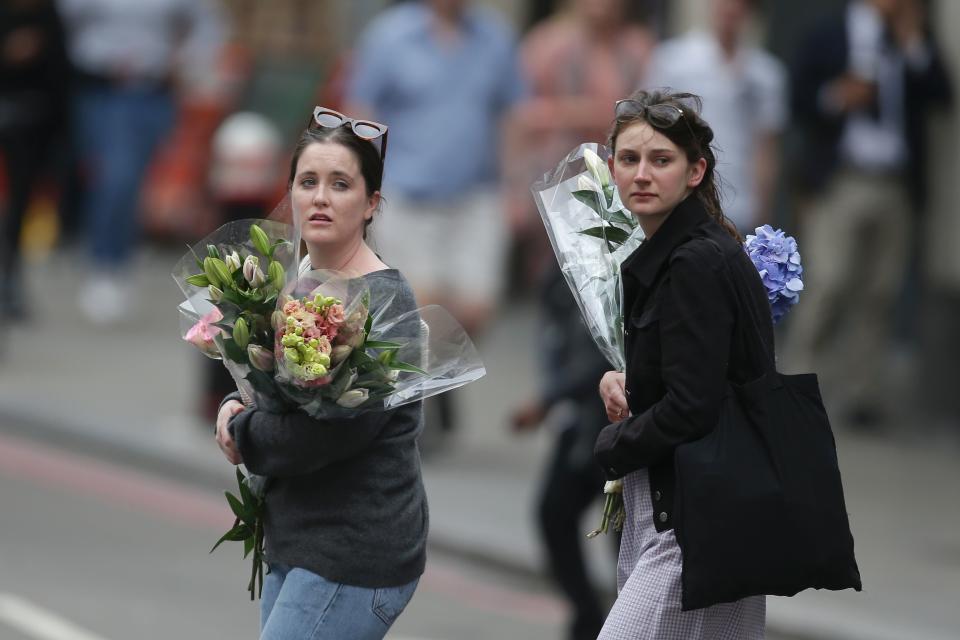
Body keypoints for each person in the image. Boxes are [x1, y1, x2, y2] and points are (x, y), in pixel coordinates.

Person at [214, 107, 425, 639]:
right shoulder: (291, 278)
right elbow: (268, 387)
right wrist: (231, 404)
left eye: (341, 184)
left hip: (352, 553)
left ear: (371, 203)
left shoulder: (385, 300)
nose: (321, 197)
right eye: (308, 182)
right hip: (297, 538)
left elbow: (327, 433)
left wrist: (243, 433)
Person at [592, 90, 772, 638]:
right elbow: (696, 375)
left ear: (696, 172)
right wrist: (629, 382)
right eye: (629, 160)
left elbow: (694, 407)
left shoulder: (695, 260)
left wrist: (609, 448)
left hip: (694, 518)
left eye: (661, 160)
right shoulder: (689, 249)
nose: (642, 174)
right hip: (702, 510)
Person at [343, 0, 525, 436]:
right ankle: (413, 410)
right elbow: (362, 112)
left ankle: (433, 384)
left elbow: (513, 115)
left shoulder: (495, 38)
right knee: (421, 304)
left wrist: (516, 185)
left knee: (476, 306)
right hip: (408, 193)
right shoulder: (390, 35)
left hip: (476, 194)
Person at [783, 0, 952, 429]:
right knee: (830, 281)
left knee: (880, 291)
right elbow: (799, 96)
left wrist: (914, 40)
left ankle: (862, 395)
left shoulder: (912, 36)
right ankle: (796, 387)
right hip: (841, 179)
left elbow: (940, 94)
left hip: (894, 182)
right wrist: (838, 96)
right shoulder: (829, 30)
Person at [58, 0, 225, 324]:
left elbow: (207, 24)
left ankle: (121, 249)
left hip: (154, 92)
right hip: (101, 90)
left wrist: (190, 62)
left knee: (135, 179)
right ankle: (105, 260)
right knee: (115, 175)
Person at [510, 262, 615, 640]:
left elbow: (603, 355)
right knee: (554, 512)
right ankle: (589, 618)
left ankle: (623, 622)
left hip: (615, 423)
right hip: (579, 424)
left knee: (624, 535)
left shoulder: (609, 264)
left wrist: (546, 398)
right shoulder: (562, 268)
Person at [644, 0, 787, 234]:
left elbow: (766, 148)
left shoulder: (766, 73)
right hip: (682, 199)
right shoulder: (672, 60)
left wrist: (763, 210)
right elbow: (652, 131)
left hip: (741, 205)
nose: (730, 8)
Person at [0, 0, 69, 320]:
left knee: (18, 210)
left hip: (33, 128)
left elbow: (61, 75)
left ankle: (10, 281)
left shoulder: (48, 15)